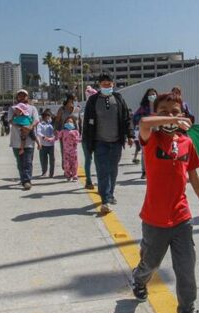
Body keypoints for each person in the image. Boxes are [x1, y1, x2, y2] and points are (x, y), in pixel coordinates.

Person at [131, 92, 199, 313]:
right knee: (151, 263)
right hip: (155, 219)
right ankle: (139, 278)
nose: (170, 115)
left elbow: (195, 178)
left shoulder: (187, 143)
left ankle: (186, 312)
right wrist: (169, 120)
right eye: (164, 111)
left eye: (175, 112)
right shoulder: (151, 138)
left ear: (184, 114)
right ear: (156, 113)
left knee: (186, 268)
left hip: (181, 218)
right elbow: (144, 124)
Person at [82, 72, 135, 214]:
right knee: (102, 171)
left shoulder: (118, 98)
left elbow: (126, 118)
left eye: (109, 84)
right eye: (104, 84)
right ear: (99, 85)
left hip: (116, 141)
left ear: (113, 84)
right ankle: (105, 199)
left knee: (113, 169)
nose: (107, 86)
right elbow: (87, 123)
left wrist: (130, 135)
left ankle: (110, 193)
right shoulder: (92, 100)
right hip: (99, 142)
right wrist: (87, 142)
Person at [7, 89, 41, 190]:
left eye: (24, 95)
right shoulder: (12, 108)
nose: (22, 97)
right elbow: (10, 121)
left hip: (29, 140)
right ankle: (23, 179)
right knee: (20, 162)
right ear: (17, 97)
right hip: (16, 140)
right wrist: (21, 127)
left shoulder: (32, 108)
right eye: (20, 96)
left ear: (27, 97)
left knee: (28, 161)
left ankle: (27, 181)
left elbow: (36, 120)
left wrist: (29, 127)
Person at [133, 88, 158, 178]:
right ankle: (144, 171)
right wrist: (146, 118)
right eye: (150, 95)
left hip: (157, 132)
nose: (152, 96)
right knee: (145, 152)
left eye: (154, 94)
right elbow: (135, 118)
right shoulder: (143, 108)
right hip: (146, 132)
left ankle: (155, 170)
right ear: (147, 96)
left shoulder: (159, 106)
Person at [57, 116, 81, 181]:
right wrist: (47, 139)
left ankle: (75, 175)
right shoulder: (63, 131)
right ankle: (68, 175)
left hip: (74, 152)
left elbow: (79, 140)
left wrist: (74, 137)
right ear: (65, 123)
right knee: (66, 164)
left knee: (74, 164)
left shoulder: (76, 132)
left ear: (73, 123)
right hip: (66, 152)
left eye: (71, 122)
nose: (69, 123)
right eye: (67, 122)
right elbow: (56, 138)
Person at [36, 109, 56, 178]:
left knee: (52, 159)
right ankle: (44, 172)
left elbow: (54, 132)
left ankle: (51, 173)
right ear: (44, 117)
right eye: (48, 116)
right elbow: (38, 132)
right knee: (43, 159)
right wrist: (43, 137)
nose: (49, 117)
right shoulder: (40, 124)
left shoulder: (51, 124)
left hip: (51, 145)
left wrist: (53, 137)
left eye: (49, 116)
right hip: (43, 144)